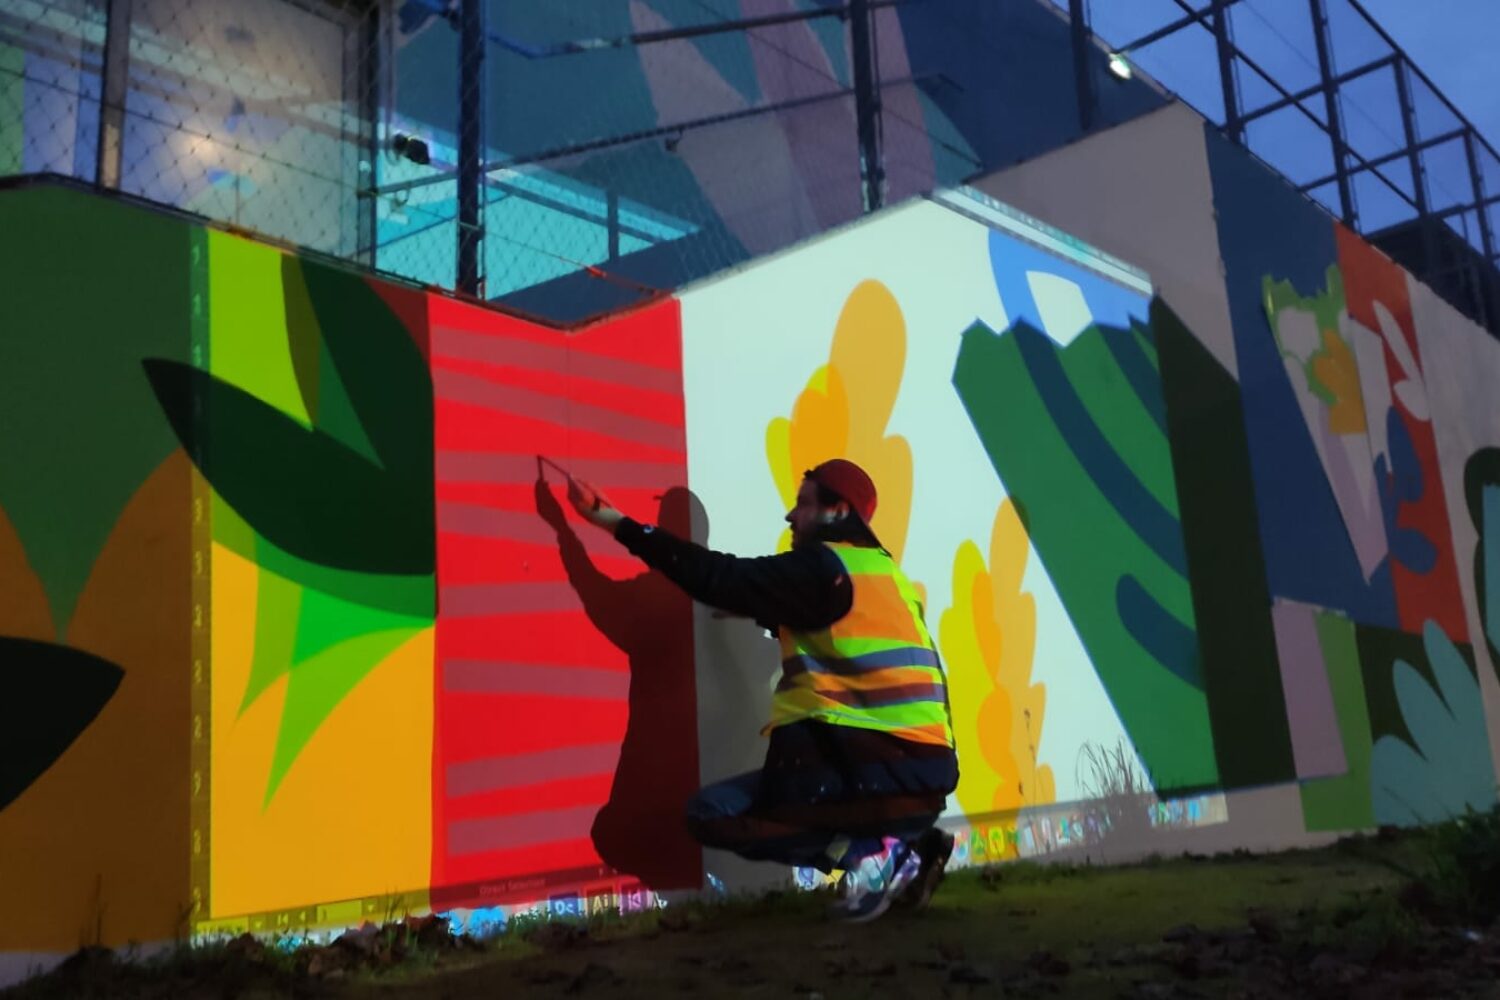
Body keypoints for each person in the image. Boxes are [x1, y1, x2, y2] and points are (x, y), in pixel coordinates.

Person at [557, 458, 959, 922]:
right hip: (921, 779)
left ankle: (871, 856)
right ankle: (910, 845)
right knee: (729, 803)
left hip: (873, 771)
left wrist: (610, 522)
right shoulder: (882, 574)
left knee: (713, 814)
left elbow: (720, 577)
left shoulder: (821, 569)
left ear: (837, 511)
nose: (791, 516)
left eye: (803, 505)